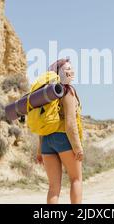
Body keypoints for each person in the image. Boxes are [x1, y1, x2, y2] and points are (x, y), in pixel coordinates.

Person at [35, 58, 84, 204]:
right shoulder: (67, 91)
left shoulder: (46, 95)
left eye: (71, 68)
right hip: (63, 139)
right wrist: (78, 147)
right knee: (76, 179)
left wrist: (39, 150)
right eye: (67, 69)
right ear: (58, 74)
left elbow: (43, 124)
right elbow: (70, 123)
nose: (71, 71)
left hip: (47, 141)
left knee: (53, 187)